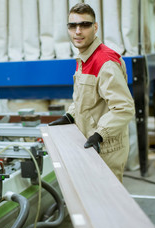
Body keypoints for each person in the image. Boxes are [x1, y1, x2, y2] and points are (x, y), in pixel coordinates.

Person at [49, 3, 135, 182]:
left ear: (95, 27)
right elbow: (86, 98)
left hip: (106, 147)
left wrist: (100, 134)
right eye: (72, 26)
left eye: (84, 25)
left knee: (106, 201)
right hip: (91, 142)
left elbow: (124, 108)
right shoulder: (84, 57)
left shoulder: (105, 62)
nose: (77, 31)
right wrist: (70, 116)